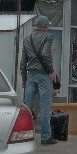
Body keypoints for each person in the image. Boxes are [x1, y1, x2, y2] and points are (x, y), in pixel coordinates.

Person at [21, 15, 57, 146]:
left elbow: (23, 61)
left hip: (30, 75)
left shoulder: (27, 38)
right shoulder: (48, 36)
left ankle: (23, 136)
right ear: (44, 26)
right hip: (43, 75)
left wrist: (24, 79)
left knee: (27, 108)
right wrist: (51, 71)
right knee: (45, 107)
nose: (48, 28)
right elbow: (45, 54)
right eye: (47, 25)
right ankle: (46, 137)